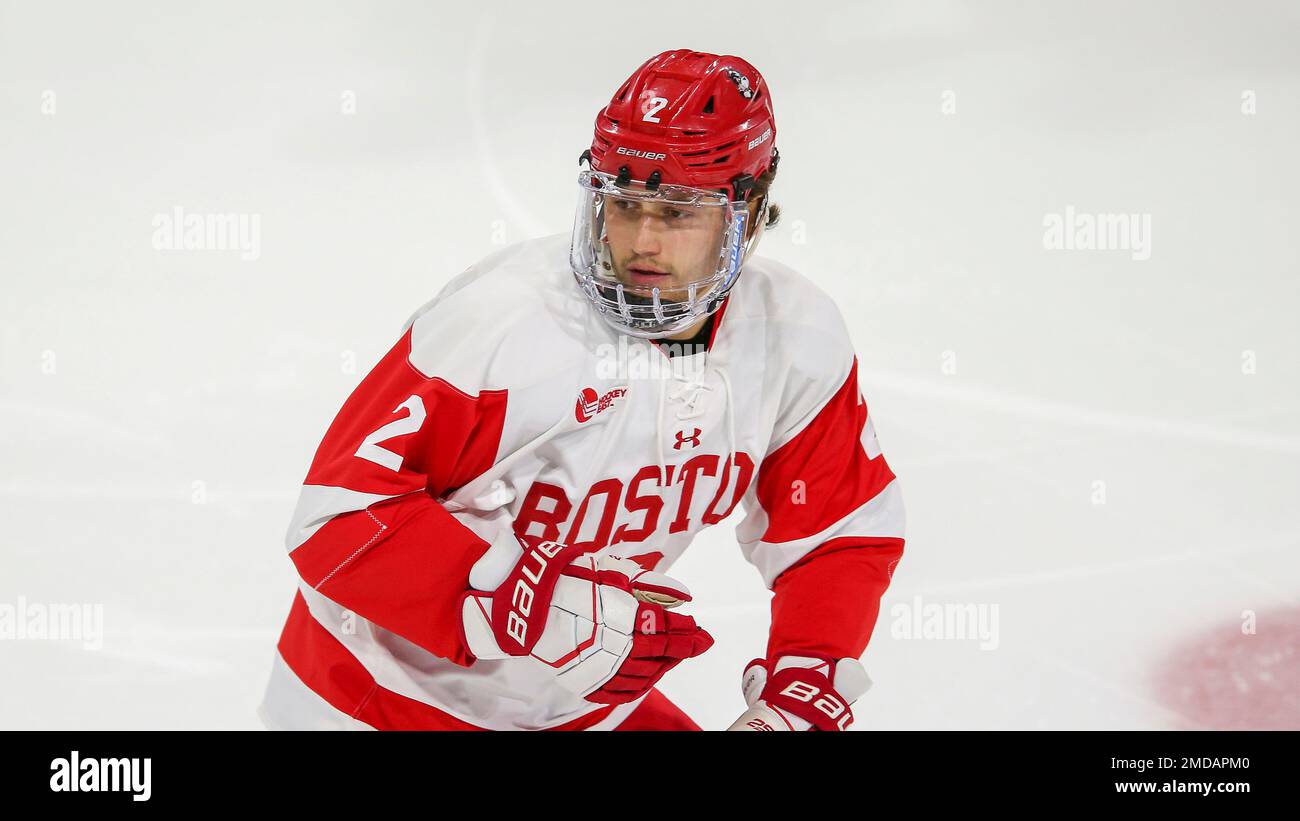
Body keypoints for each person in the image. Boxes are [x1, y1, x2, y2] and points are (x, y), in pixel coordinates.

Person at [259, 48, 905, 731]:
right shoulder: (502, 324)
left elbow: (837, 530)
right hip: (378, 698)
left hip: (581, 709)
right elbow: (336, 516)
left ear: (748, 207)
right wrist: (511, 597)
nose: (642, 241)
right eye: (624, 204)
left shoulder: (793, 335)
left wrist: (801, 683)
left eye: (679, 211)